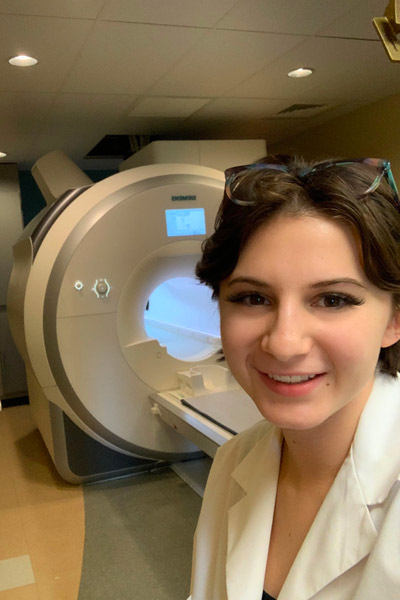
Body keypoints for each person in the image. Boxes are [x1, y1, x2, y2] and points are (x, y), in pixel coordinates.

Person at [188, 156, 400, 600]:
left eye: (334, 299)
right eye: (252, 297)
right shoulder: (232, 462)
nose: (284, 344)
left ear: (393, 320)